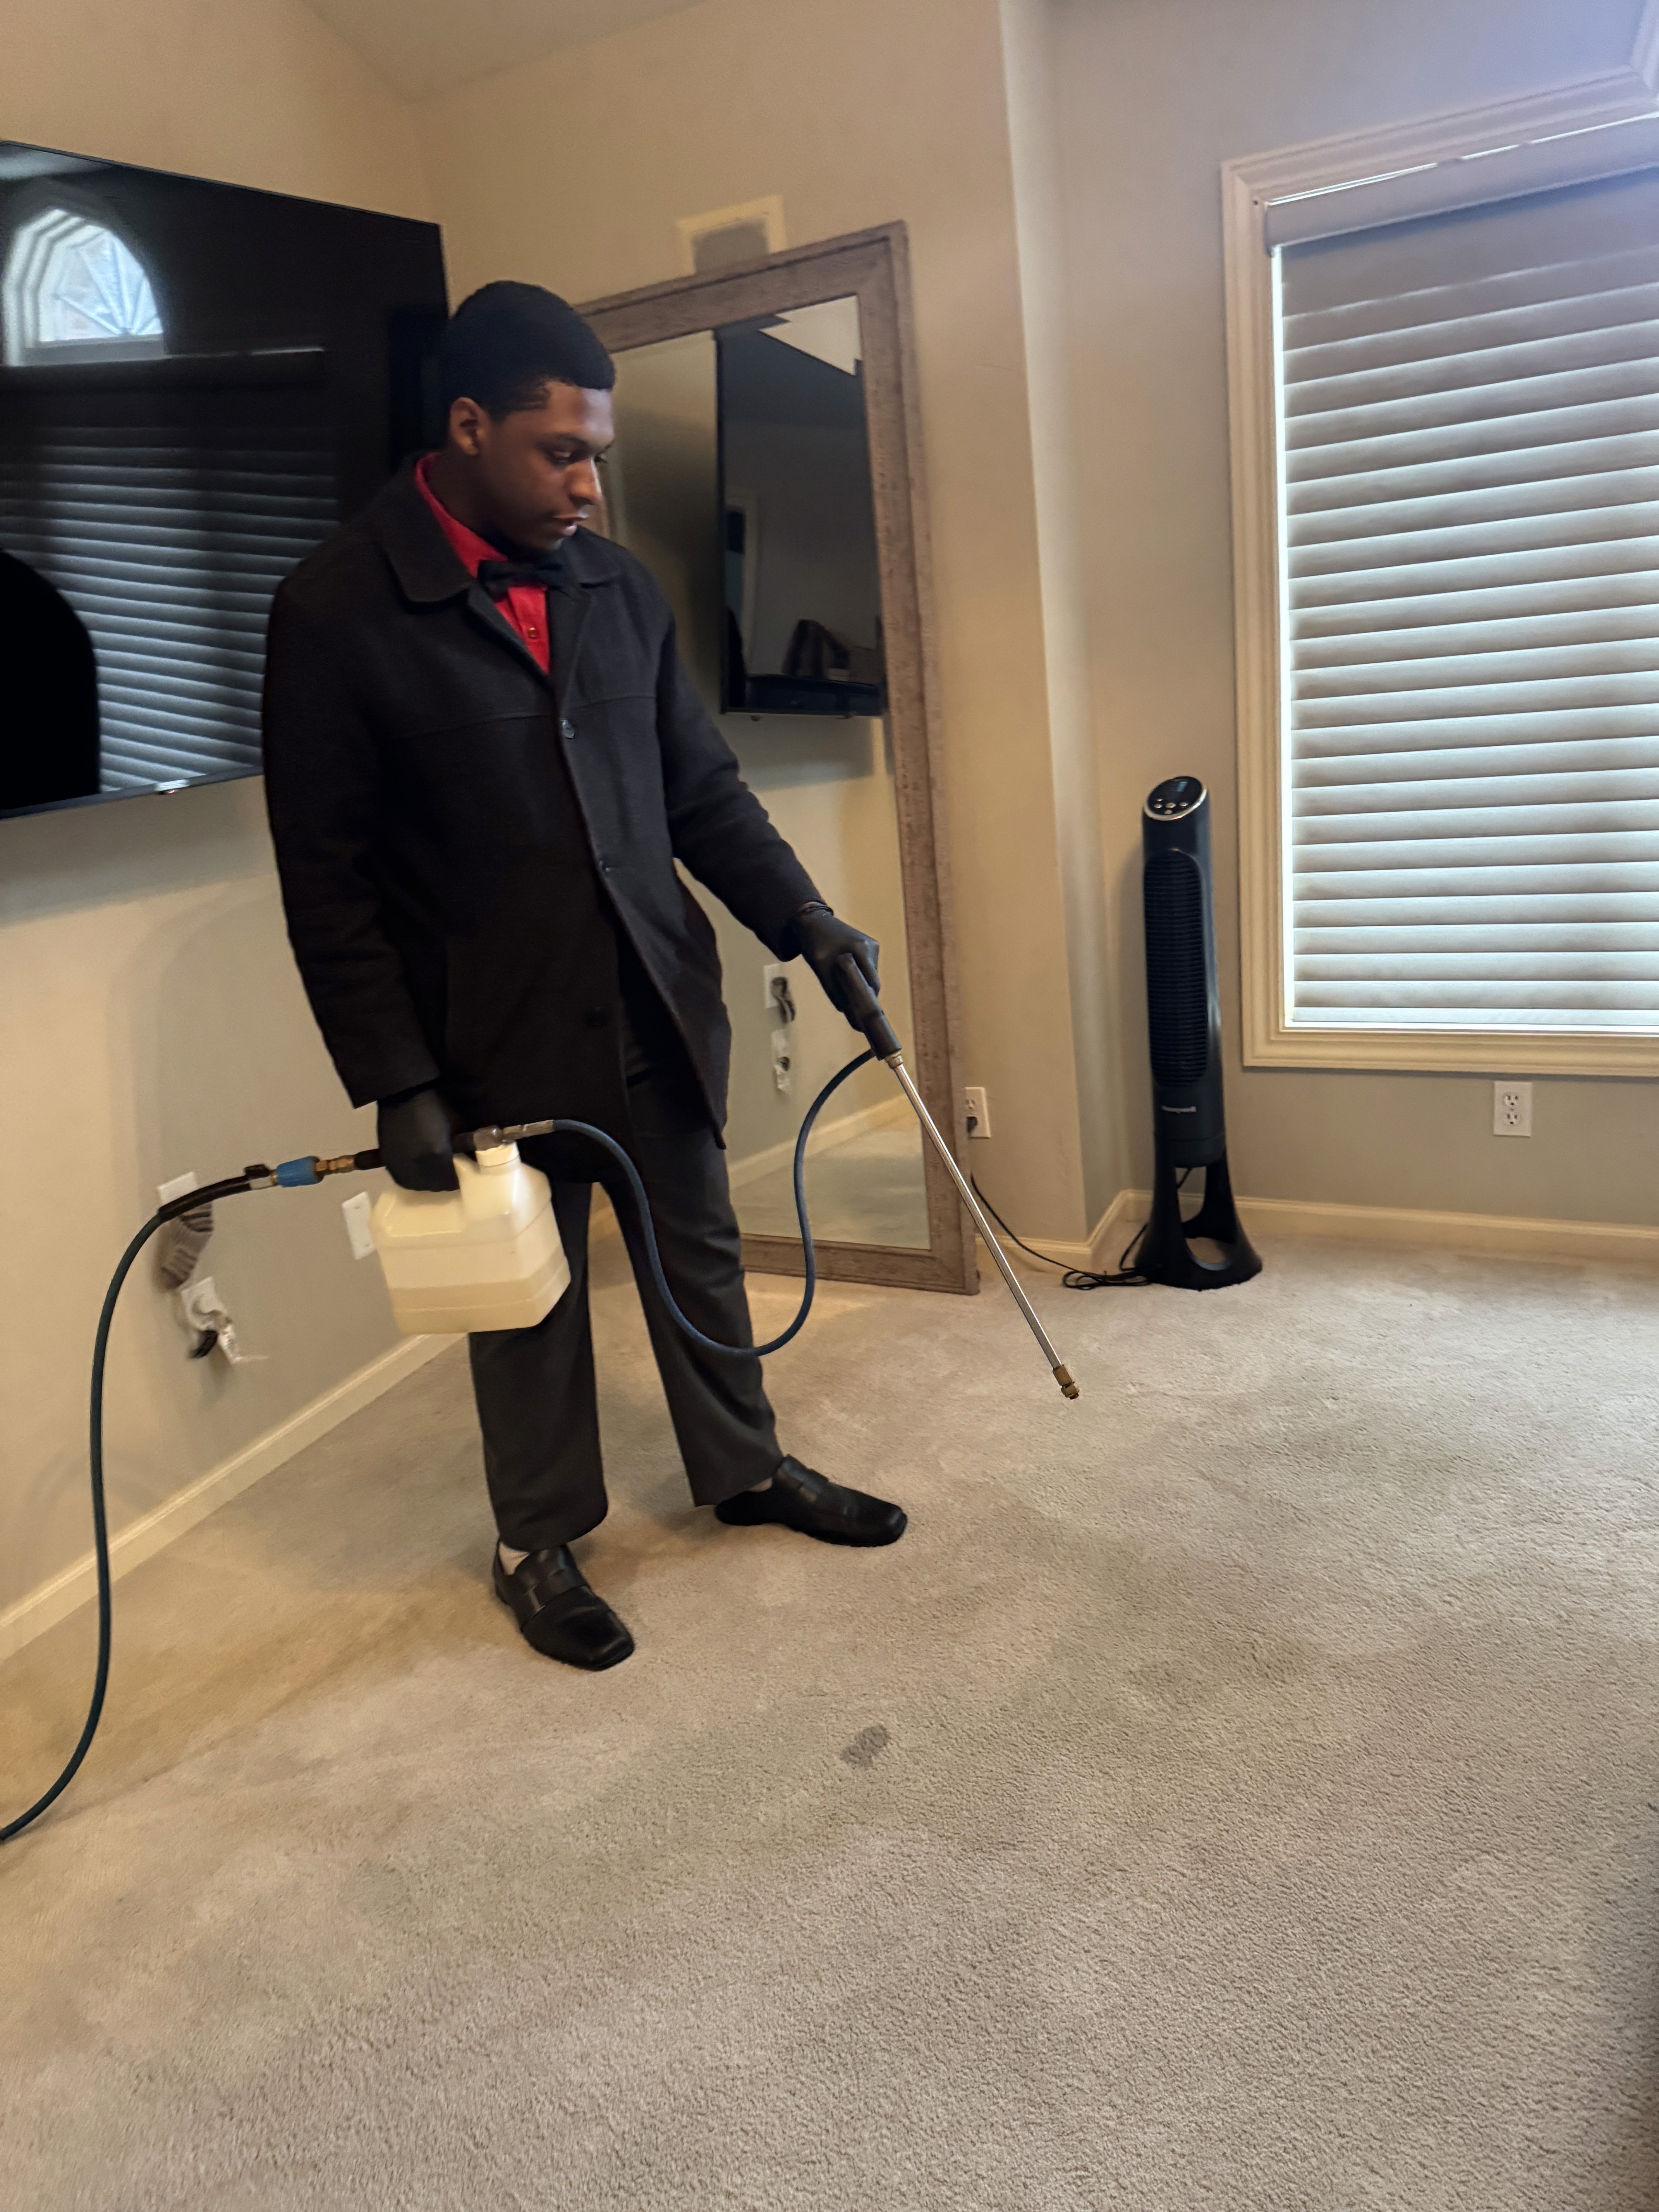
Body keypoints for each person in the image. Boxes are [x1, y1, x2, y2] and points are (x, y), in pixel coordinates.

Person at [262, 282, 906, 1672]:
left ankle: (744, 1467)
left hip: (655, 996)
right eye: (560, 453)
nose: (588, 487)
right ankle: (537, 1542)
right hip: (486, 1035)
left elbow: (699, 790)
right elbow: (327, 883)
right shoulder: (333, 608)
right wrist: (396, 1080)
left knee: (699, 1251)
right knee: (526, 1300)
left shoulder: (617, 588)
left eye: (595, 455)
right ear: (468, 426)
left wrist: (804, 919)